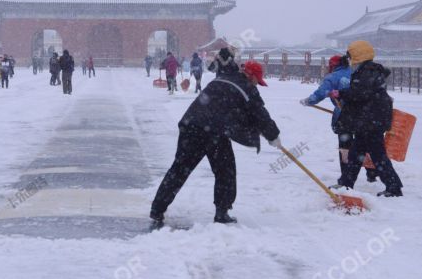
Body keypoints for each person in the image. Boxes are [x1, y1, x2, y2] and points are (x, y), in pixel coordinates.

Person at [150, 60, 281, 228]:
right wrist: (273, 135)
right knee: (225, 170)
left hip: (190, 125)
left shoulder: (222, 78)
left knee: (179, 169)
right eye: (257, 80)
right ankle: (222, 212)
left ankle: (157, 208)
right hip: (213, 131)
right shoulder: (246, 87)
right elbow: (259, 113)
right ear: (251, 76)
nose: (257, 84)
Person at [330, 41, 403, 197]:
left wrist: (342, 93)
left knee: (378, 155)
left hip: (371, 121)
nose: (348, 59)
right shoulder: (369, 70)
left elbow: (360, 93)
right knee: (356, 154)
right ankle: (346, 183)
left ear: (357, 56)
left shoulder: (367, 71)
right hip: (368, 121)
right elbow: (362, 91)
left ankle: (394, 187)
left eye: (350, 56)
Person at [299, 55, 378, 183]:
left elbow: (321, 93)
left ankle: (346, 176)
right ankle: (371, 171)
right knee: (363, 144)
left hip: (345, 115)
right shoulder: (356, 72)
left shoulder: (332, 77)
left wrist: (309, 101)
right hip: (363, 115)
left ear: (332, 66)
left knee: (345, 147)